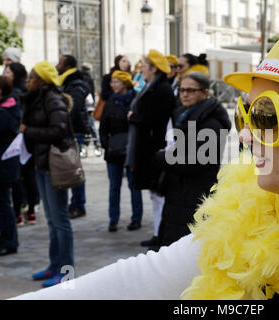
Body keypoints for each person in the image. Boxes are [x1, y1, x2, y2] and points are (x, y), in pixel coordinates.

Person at [12, 20, 279, 300]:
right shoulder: (254, 215)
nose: (243, 132)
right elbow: (141, 280)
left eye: (263, 116)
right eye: (244, 111)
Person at [153, 72, 231, 248]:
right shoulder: (185, 115)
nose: (185, 94)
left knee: (186, 250)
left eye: (190, 90)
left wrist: (163, 158)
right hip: (178, 193)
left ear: (205, 92)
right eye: (181, 90)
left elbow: (198, 163)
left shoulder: (212, 123)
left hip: (195, 195)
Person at [20, 61, 75, 288]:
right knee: (52, 221)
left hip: (54, 166)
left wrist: (28, 131)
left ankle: (67, 271)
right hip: (42, 164)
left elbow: (60, 131)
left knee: (61, 221)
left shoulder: (52, 99)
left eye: (32, 77)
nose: (28, 81)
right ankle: (54, 265)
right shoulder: (38, 99)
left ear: (41, 80)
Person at [125, 49, 177, 248]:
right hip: (148, 148)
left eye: (145, 67)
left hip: (156, 148)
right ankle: (157, 233)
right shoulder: (152, 86)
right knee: (154, 194)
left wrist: (133, 117)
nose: (142, 70)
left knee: (159, 194)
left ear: (154, 69)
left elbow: (154, 118)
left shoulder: (161, 89)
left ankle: (161, 235)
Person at [99, 71, 142, 232]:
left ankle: (136, 218)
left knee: (134, 185)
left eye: (116, 82)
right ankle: (113, 219)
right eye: (112, 82)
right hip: (113, 151)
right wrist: (106, 144)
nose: (112, 85)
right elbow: (103, 126)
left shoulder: (135, 100)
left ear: (124, 83)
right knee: (114, 186)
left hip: (131, 150)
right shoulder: (110, 101)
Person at [4, 62, 40, 226]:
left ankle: (18, 213)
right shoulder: (28, 92)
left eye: (8, 71)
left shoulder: (14, 94)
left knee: (18, 178)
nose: (6, 74)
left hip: (18, 138)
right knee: (29, 176)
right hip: (29, 137)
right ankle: (31, 210)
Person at [56, 55, 91, 219]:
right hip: (70, 130)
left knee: (74, 167)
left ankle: (79, 204)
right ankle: (75, 203)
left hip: (74, 130)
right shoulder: (65, 81)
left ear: (67, 65)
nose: (57, 65)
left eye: (60, 63)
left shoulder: (74, 83)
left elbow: (73, 109)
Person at [0, 76, 20, 257]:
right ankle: (7, 240)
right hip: (3, 165)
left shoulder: (2, 112)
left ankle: (9, 241)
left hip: (0, 167)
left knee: (3, 205)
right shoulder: (5, 108)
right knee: (3, 204)